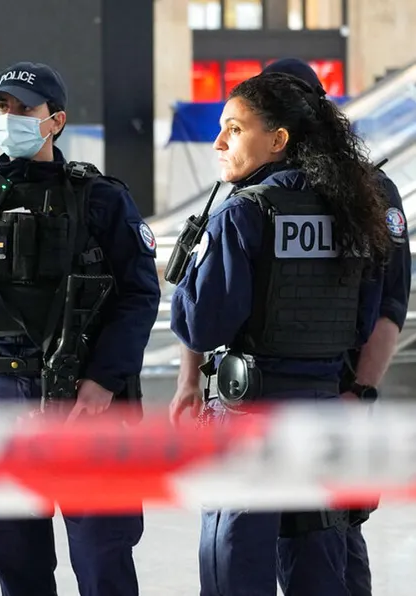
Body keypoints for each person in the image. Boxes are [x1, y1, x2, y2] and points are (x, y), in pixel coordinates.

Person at [0, 61, 161, 596]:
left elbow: (139, 296)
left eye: (24, 109)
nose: (9, 117)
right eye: (2, 107)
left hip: (86, 396)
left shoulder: (102, 200)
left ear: (55, 120)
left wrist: (104, 380)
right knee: (10, 545)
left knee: (102, 550)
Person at [167, 71, 391, 595]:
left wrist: (188, 279)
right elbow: (367, 317)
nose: (220, 142)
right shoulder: (354, 211)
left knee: (234, 570)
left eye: (234, 128)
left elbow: (203, 323)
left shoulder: (244, 213)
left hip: (250, 418)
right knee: (319, 568)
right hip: (325, 413)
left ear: (277, 139)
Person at [259, 58, 412, 596]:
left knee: (331, 533)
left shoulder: (371, 191)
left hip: (337, 389)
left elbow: (391, 304)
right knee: (289, 535)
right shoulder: (257, 192)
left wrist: (360, 390)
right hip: (270, 396)